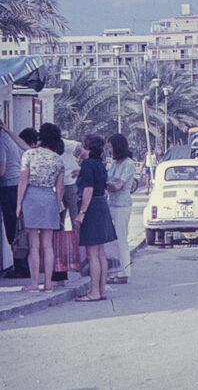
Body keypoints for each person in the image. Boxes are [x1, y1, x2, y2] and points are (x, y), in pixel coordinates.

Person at [16, 123, 65, 292]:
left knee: (34, 245)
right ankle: (49, 283)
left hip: (31, 197)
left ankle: (34, 283)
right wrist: (57, 207)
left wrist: (18, 204)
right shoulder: (58, 160)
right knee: (48, 245)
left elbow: (23, 180)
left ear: (41, 137)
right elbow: (60, 188)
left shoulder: (29, 155)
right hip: (49, 198)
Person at [74, 134, 117, 302]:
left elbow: (88, 189)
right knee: (100, 253)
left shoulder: (87, 164)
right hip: (101, 206)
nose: (81, 150)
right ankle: (102, 290)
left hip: (91, 208)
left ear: (88, 148)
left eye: (83, 146)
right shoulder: (99, 164)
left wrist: (82, 212)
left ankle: (94, 292)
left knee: (92, 254)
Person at [0, 119, 28, 278]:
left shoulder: (1, 142)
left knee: (12, 226)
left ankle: (21, 267)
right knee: (19, 225)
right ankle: (23, 264)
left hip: (8, 186)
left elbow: (1, 169)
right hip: (17, 184)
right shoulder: (11, 139)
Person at [106, 133, 134, 284]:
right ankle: (115, 271)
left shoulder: (128, 163)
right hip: (113, 203)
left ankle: (124, 272)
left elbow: (118, 185)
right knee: (114, 239)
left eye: (110, 147)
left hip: (122, 204)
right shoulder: (114, 163)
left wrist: (106, 183)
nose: (109, 150)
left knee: (121, 238)